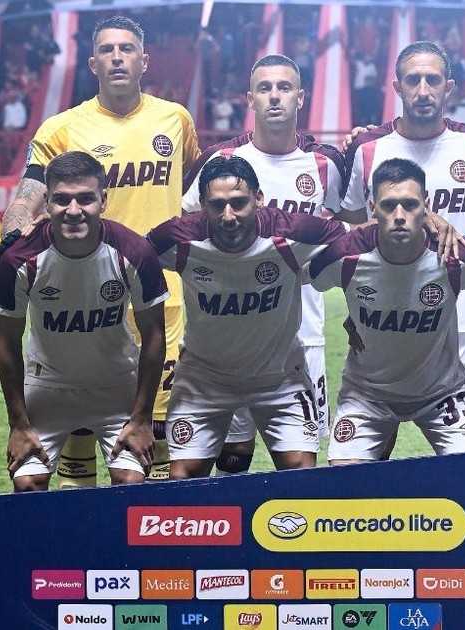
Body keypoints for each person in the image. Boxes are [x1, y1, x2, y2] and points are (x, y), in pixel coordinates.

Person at [0, 16, 200, 486]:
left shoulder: (176, 120)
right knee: (78, 445)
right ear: (93, 64)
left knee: (151, 437)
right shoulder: (62, 128)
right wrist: (13, 237)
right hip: (83, 299)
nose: (117, 57)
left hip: (160, 296)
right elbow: (27, 195)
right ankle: (82, 531)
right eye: (107, 50)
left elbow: (191, 189)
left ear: (144, 61)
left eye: (127, 49)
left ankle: (142, 530)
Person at [181, 54, 351, 476]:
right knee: (233, 452)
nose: (275, 96)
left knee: (300, 460)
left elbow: (349, 237)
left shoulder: (326, 164)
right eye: (265, 88)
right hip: (228, 334)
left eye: (284, 87)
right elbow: (189, 232)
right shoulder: (220, 161)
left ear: (300, 97)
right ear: (250, 99)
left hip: (302, 334)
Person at [149, 156, 347, 478]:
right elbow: (130, 255)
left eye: (239, 203)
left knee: (301, 475)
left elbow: (363, 241)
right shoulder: (178, 238)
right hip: (204, 379)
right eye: (217, 205)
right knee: (183, 480)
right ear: (202, 206)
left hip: (279, 378)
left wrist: (426, 222)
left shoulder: (292, 232)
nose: (229, 216)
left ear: (258, 198)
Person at [0, 151, 167, 491]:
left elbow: (155, 335)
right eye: (62, 200)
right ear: (47, 202)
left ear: (103, 200)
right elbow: (7, 342)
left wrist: (142, 418)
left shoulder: (135, 251)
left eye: (85, 198)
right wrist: (18, 425)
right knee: (27, 482)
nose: (73, 210)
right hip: (48, 388)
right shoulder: (19, 259)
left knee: (131, 480)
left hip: (117, 386)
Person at [343, 41, 465, 411]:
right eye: (413, 80)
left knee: (462, 427)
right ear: (397, 87)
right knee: (378, 419)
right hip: (384, 307)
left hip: (460, 308)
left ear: (449, 86)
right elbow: (350, 227)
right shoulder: (367, 148)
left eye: (433, 79)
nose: (423, 90)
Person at [307, 158, 465, 464]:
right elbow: (298, 275)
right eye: (389, 205)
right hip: (367, 393)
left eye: (411, 204)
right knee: (343, 480)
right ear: (372, 207)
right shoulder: (344, 256)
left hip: (443, 392)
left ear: (427, 207)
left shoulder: (457, 258)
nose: (400, 216)